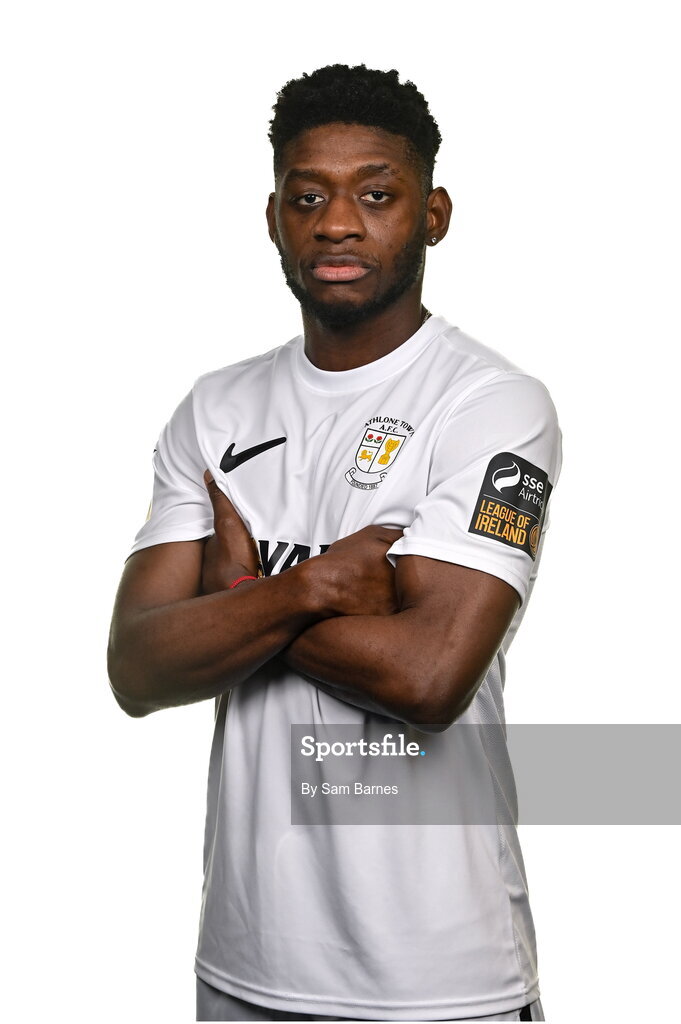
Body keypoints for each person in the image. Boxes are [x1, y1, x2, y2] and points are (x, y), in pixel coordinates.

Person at [108, 64, 561, 1023]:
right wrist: (306, 588)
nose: (338, 222)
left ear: (432, 214)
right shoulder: (216, 407)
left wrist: (230, 591)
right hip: (244, 962)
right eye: (307, 197)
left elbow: (429, 677)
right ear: (273, 217)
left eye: (376, 194)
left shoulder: (491, 407)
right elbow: (139, 666)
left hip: (438, 980)